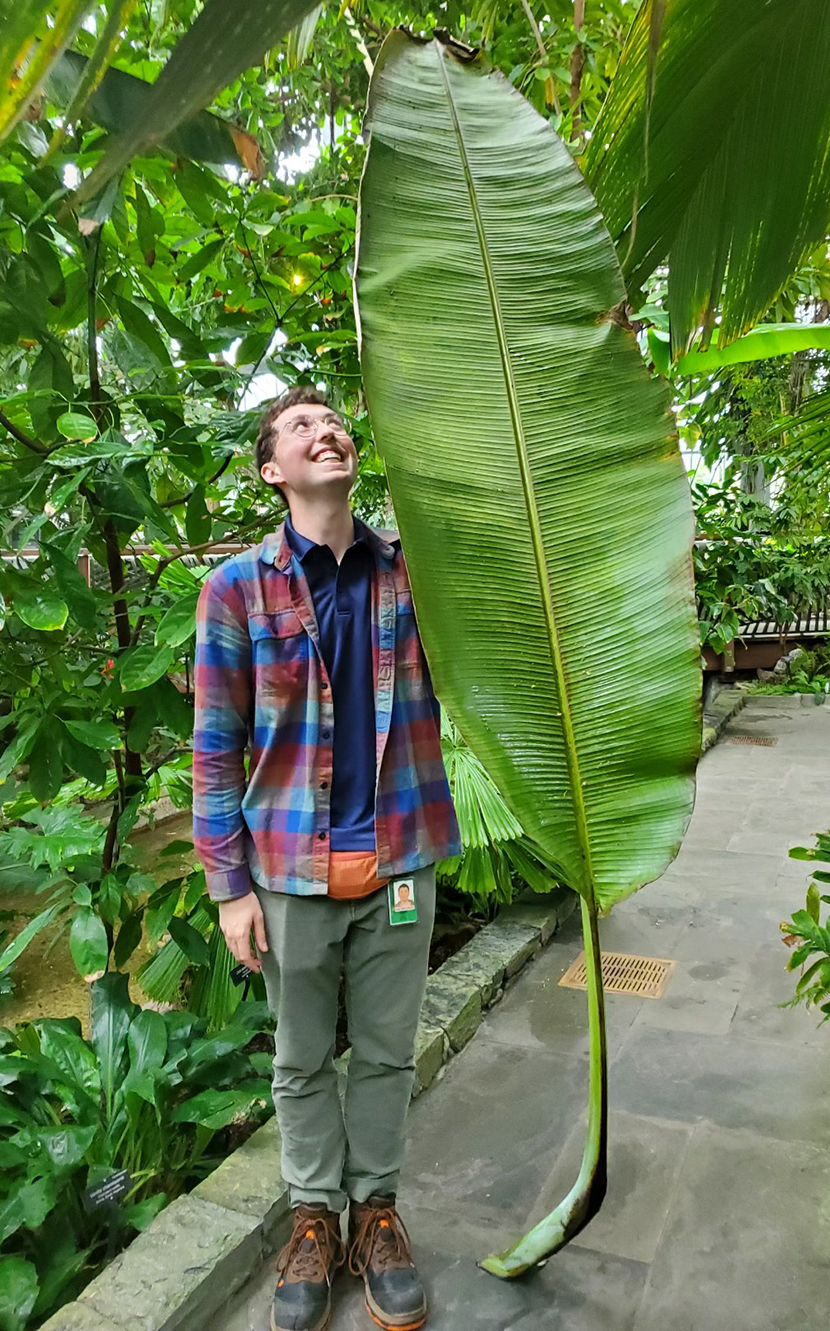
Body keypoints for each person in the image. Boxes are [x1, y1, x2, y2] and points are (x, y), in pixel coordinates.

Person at [192, 386, 461, 1331]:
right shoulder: (235, 589)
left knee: (387, 1053)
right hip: (289, 873)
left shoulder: (411, 573)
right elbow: (215, 746)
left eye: (335, 421)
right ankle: (314, 1216)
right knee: (302, 1060)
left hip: (400, 857)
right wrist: (230, 888)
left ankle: (375, 1212)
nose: (326, 430)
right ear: (273, 469)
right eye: (301, 426)